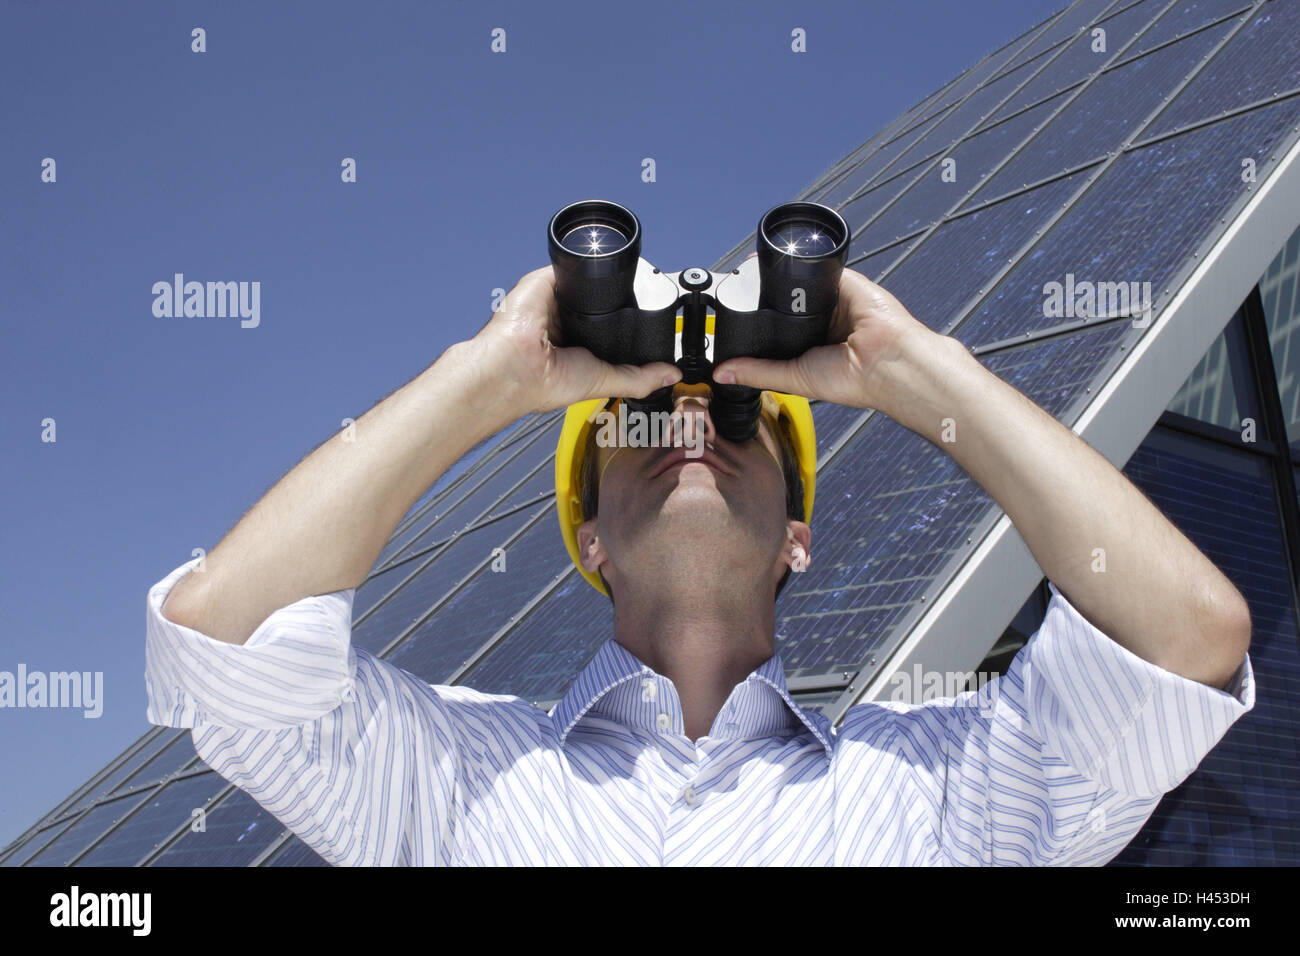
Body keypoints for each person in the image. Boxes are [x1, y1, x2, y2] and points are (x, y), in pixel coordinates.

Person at [145, 262, 1254, 865]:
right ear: (586, 539)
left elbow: (1184, 636)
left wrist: (915, 365)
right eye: (631, 420)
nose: (685, 426)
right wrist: (488, 375)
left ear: (796, 537)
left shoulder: (940, 785)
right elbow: (224, 634)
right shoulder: (451, 769)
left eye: (734, 415)